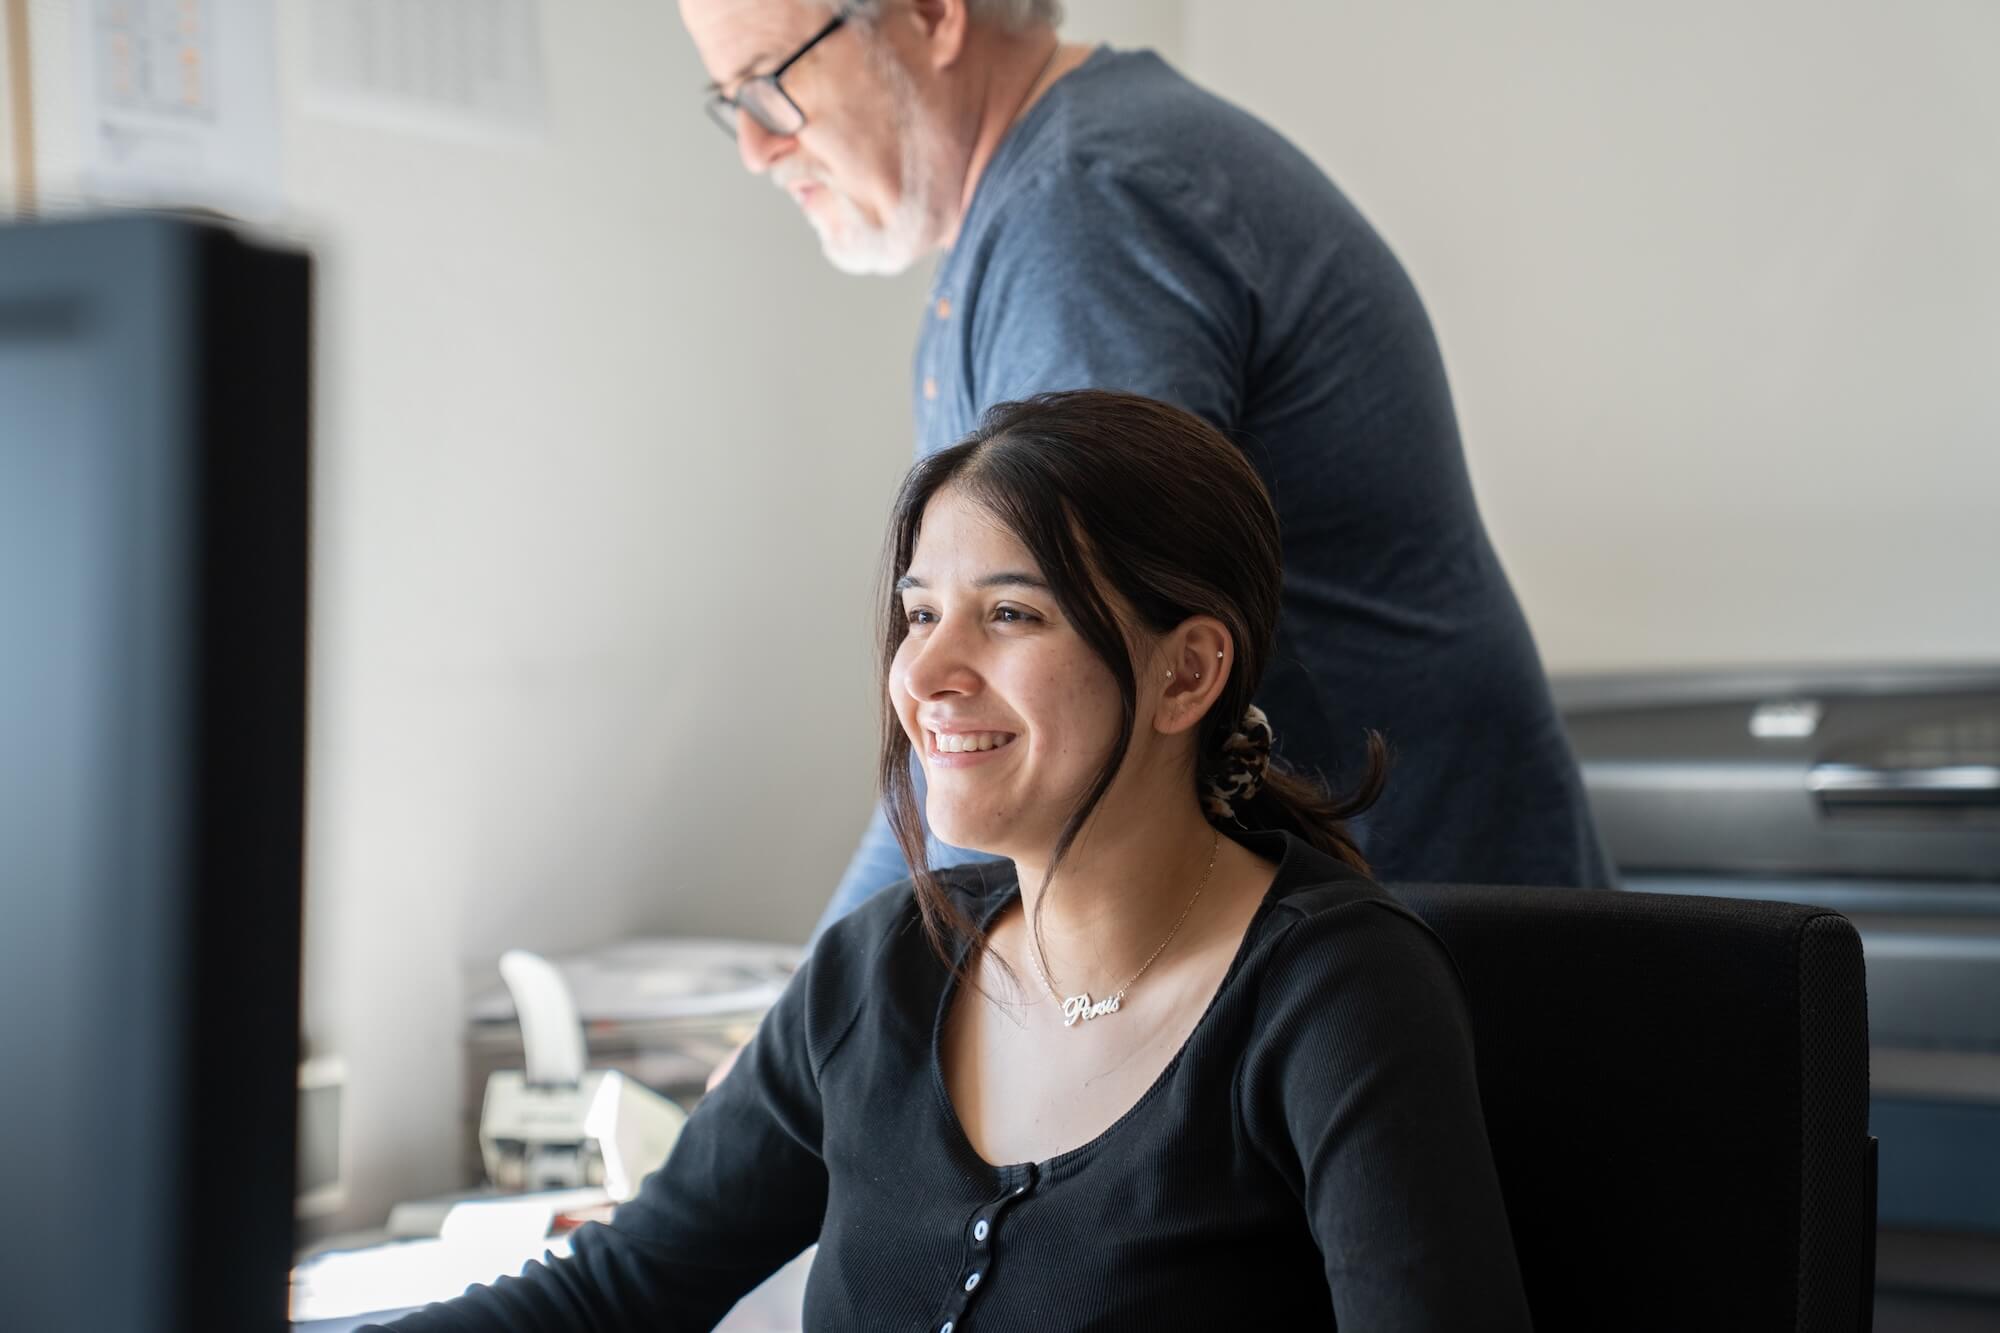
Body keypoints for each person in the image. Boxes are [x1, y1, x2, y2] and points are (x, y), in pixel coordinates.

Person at [367, 390, 1532, 1330]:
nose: (924, 675)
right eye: (920, 614)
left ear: (1185, 673)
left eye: (1010, 615)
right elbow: (617, 1292)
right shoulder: (883, 968)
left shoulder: (1334, 995)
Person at [680, 0, 1614, 931]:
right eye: (731, 101)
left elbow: (1044, 722)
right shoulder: (1047, 197)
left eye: (770, 80)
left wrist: (836, 1004)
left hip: (1401, 951)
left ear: (932, 16)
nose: (756, 146)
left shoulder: (1085, 218)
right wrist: (829, 994)